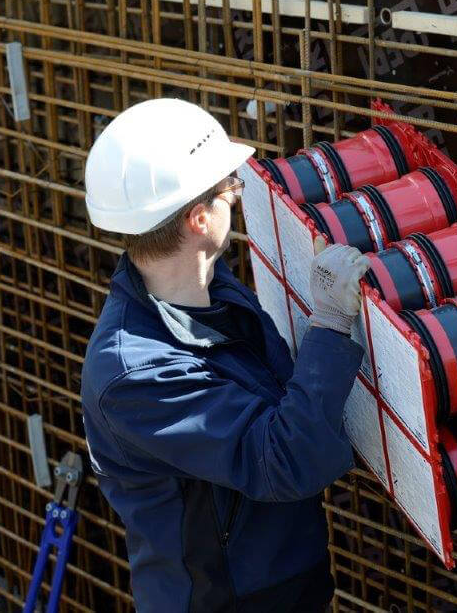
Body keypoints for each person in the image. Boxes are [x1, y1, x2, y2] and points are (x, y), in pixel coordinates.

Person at [80, 98, 368, 612]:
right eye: (228, 187)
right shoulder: (133, 375)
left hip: (286, 582)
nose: (236, 193)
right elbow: (283, 460)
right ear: (198, 219)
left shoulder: (210, 287)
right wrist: (329, 325)